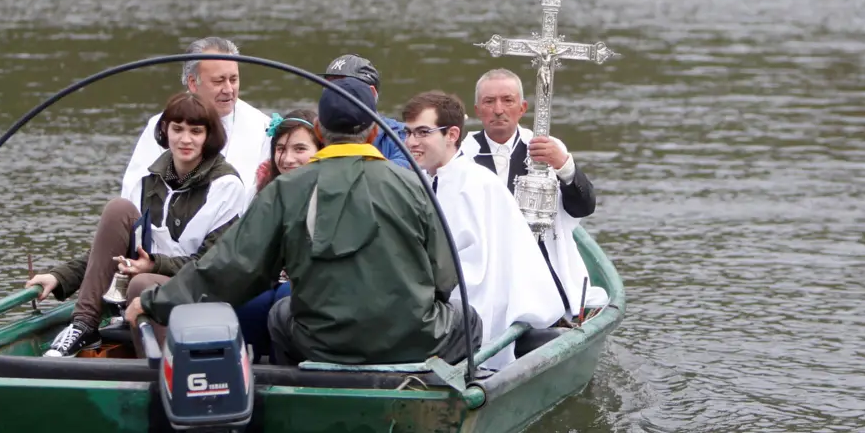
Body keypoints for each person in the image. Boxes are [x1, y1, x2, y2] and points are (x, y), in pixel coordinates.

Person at [126, 77, 481, 367]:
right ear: (374, 132)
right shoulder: (413, 185)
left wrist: (156, 301)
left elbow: (230, 269)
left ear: (319, 131)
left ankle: (295, 401)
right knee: (470, 319)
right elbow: (444, 279)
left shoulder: (285, 189)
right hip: (413, 342)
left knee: (281, 314)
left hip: (323, 344)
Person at [27, 93, 248, 357]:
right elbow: (108, 252)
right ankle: (84, 325)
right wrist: (59, 276)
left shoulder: (227, 186)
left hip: (200, 289)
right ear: (165, 131)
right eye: (177, 129)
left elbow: (210, 266)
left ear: (208, 136)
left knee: (141, 284)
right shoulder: (144, 180)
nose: (185, 139)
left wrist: (154, 265)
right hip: (152, 278)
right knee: (117, 209)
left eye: (196, 131)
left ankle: (165, 367)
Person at [403, 91, 564, 369]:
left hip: (479, 311)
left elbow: (480, 273)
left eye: (422, 132)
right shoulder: (428, 182)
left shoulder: (475, 185)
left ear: (452, 135)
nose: (410, 142)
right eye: (408, 133)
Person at [458, 68, 608, 317]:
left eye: (507, 100)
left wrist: (565, 166)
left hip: (540, 260)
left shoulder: (546, 148)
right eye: (489, 101)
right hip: (484, 266)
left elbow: (583, 207)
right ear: (477, 110)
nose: (498, 109)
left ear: (522, 107)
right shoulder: (463, 154)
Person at [121, 37, 270, 202]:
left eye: (233, 80)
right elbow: (133, 192)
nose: (228, 89)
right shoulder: (163, 124)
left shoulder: (263, 127)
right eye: (218, 81)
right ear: (192, 82)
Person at [235, 108, 319, 357]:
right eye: (281, 149)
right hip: (272, 274)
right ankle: (250, 365)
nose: (288, 158)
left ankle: (284, 365)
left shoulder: (328, 189)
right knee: (251, 299)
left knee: (286, 297)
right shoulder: (263, 191)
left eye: (299, 149)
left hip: (314, 278)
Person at [321, 53, 411, 169]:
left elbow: (404, 170)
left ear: (371, 94)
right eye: (328, 87)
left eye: (343, 88)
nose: (333, 95)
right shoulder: (311, 134)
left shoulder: (404, 136)